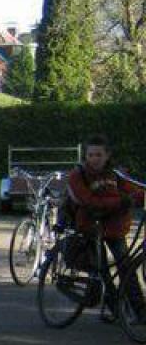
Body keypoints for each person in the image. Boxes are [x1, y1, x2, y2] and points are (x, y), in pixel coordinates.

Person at [65, 135, 145, 321]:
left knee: (126, 268)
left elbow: (134, 191)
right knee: (102, 272)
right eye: (90, 155)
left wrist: (138, 197)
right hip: (91, 228)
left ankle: (140, 310)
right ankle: (116, 309)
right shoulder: (78, 175)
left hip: (114, 228)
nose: (94, 159)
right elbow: (88, 201)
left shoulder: (116, 175)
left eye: (98, 155)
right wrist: (122, 202)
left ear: (107, 155)